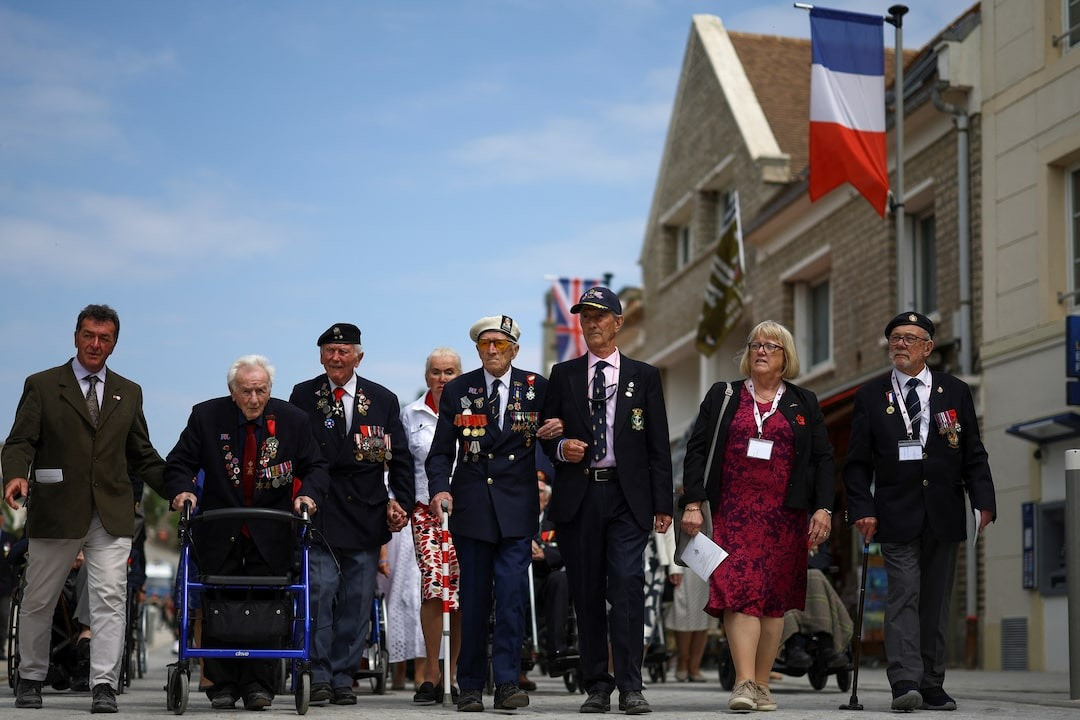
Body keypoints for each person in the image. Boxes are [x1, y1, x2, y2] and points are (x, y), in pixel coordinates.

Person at [2, 303, 192, 713]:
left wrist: (176, 489)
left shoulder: (129, 391)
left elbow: (142, 454)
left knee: (109, 599)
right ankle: (31, 677)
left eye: (104, 338)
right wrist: (15, 475)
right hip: (55, 509)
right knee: (39, 599)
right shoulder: (42, 385)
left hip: (110, 514)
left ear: (114, 344)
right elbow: (19, 442)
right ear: (75, 337)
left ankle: (103, 683)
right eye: (88, 335)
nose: (95, 343)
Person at [679, 320, 834, 712]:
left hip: (785, 516)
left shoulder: (804, 401)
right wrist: (694, 502)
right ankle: (744, 682)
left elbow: (822, 459)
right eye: (755, 345)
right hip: (732, 511)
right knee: (739, 593)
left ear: (786, 357)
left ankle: (763, 684)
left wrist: (823, 508)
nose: (761, 351)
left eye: (771, 345)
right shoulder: (724, 395)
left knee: (772, 602)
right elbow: (696, 450)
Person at [844, 311, 995, 712]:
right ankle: (905, 681)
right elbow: (857, 463)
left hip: (944, 512)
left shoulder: (955, 391)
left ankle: (932, 682)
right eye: (894, 337)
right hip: (895, 513)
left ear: (928, 347)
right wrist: (862, 508)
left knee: (935, 601)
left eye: (910, 338)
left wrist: (984, 501)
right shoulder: (871, 395)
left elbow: (972, 453)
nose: (900, 344)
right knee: (904, 595)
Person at [163, 354, 327, 712]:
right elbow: (178, 462)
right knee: (220, 604)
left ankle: (259, 684)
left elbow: (316, 466)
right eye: (246, 391)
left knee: (268, 607)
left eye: (261, 390)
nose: (254, 399)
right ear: (232, 391)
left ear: (270, 390)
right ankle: (221, 683)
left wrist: (307, 495)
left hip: (270, 532)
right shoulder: (206, 417)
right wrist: (183, 490)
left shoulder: (293, 421)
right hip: (220, 528)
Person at [540, 286, 674, 715]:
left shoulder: (645, 375)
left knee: (627, 586)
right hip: (579, 496)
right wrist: (562, 449)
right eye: (585, 315)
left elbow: (658, 446)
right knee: (586, 592)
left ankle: (631, 686)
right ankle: (597, 684)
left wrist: (663, 504)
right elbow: (544, 437)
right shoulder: (562, 375)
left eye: (601, 315)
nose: (592, 322)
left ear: (618, 322)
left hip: (626, 497)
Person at [426, 315, 554, 712]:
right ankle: (469, 685)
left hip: (517, 509)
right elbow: (441, 452)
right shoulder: (459, 390)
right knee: (476, 597)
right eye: (486, 345)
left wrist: (553, 472)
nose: (493, 350)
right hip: (474, 507)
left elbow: (551, 441)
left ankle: (506, 683)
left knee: (513, 596)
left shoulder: (536, 388)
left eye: (500, 344)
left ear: (515, 349)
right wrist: (440, 488)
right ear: (478, 350)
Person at [289, 323, 414, 705]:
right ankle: (320, 674)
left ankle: (344, 676)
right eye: (329, 350)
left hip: (365, 512)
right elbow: (294, 453)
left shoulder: (382, 398)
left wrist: (401, 502)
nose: (336, 358)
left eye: (343, 351)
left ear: (359, 356)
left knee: (358, 602)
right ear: (320, 355)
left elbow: (402, 459)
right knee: (321, 593)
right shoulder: (303, 395)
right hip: (322, 510)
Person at [401, 348, 463, 705]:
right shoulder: (411, 414)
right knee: (433, 586)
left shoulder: (471, 411)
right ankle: (431, 672)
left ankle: (453, 673)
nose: (442, 378)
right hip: (425, 509)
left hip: (466, 510)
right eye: (436, 372)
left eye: (450, 372)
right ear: (427, 377)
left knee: (459, 591)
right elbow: (402, 465)